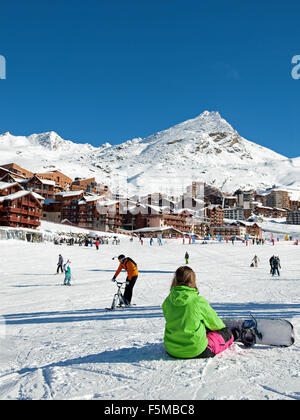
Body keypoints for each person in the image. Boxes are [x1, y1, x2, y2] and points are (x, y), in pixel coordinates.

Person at [162, 266, 234, 359]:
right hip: (196, 350)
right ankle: (234, 335)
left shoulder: (167, 301)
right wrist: (225, 330)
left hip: (172, 349)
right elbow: (214, 323)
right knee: (227, 334)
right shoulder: (197, 300)